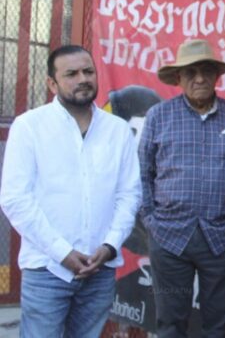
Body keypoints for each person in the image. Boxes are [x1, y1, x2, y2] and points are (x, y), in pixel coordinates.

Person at [0, 45, 141, 337]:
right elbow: (15, 199)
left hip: (99, 269)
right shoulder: (30, 127)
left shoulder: (117, 130)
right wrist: (62, 252)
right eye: (71, 74)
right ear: (52, 83)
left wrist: (110, 246)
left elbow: (129, 195)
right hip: (47, 270)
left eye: (88, 71)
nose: (83, 79)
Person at [138, 39, 225, 337]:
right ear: (178, 78)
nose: (199, 78)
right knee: (170, 324)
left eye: (206, 71)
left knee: (218, 325)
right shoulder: (158, 117)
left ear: (217, 76)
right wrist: (152, 220)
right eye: (190, 72)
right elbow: (143, 173)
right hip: (169, 238)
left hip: (222, 237)